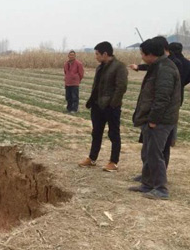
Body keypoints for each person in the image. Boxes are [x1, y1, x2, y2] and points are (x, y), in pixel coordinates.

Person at [128, 38, 181, 200]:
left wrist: (154, 119)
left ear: (151, 54)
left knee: (155, 154)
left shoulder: (165, 69)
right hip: (157, 119)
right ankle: (147, 183)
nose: (141, 56)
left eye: (142, 54)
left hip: (161, 121)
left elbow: (162, 98)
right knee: (148, 152)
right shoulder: (157, 66)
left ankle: (161, 189)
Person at [78, 42, 128, 172]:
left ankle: (113, 161)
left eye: (97, 54)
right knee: (96, 133)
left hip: (111, 107)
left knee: (113, 134)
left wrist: (113, 104)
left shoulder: (119, 67)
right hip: (97, 106)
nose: (95, 56)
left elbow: (121, 87)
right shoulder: (100, 67)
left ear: (105, 54)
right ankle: (92, 158)